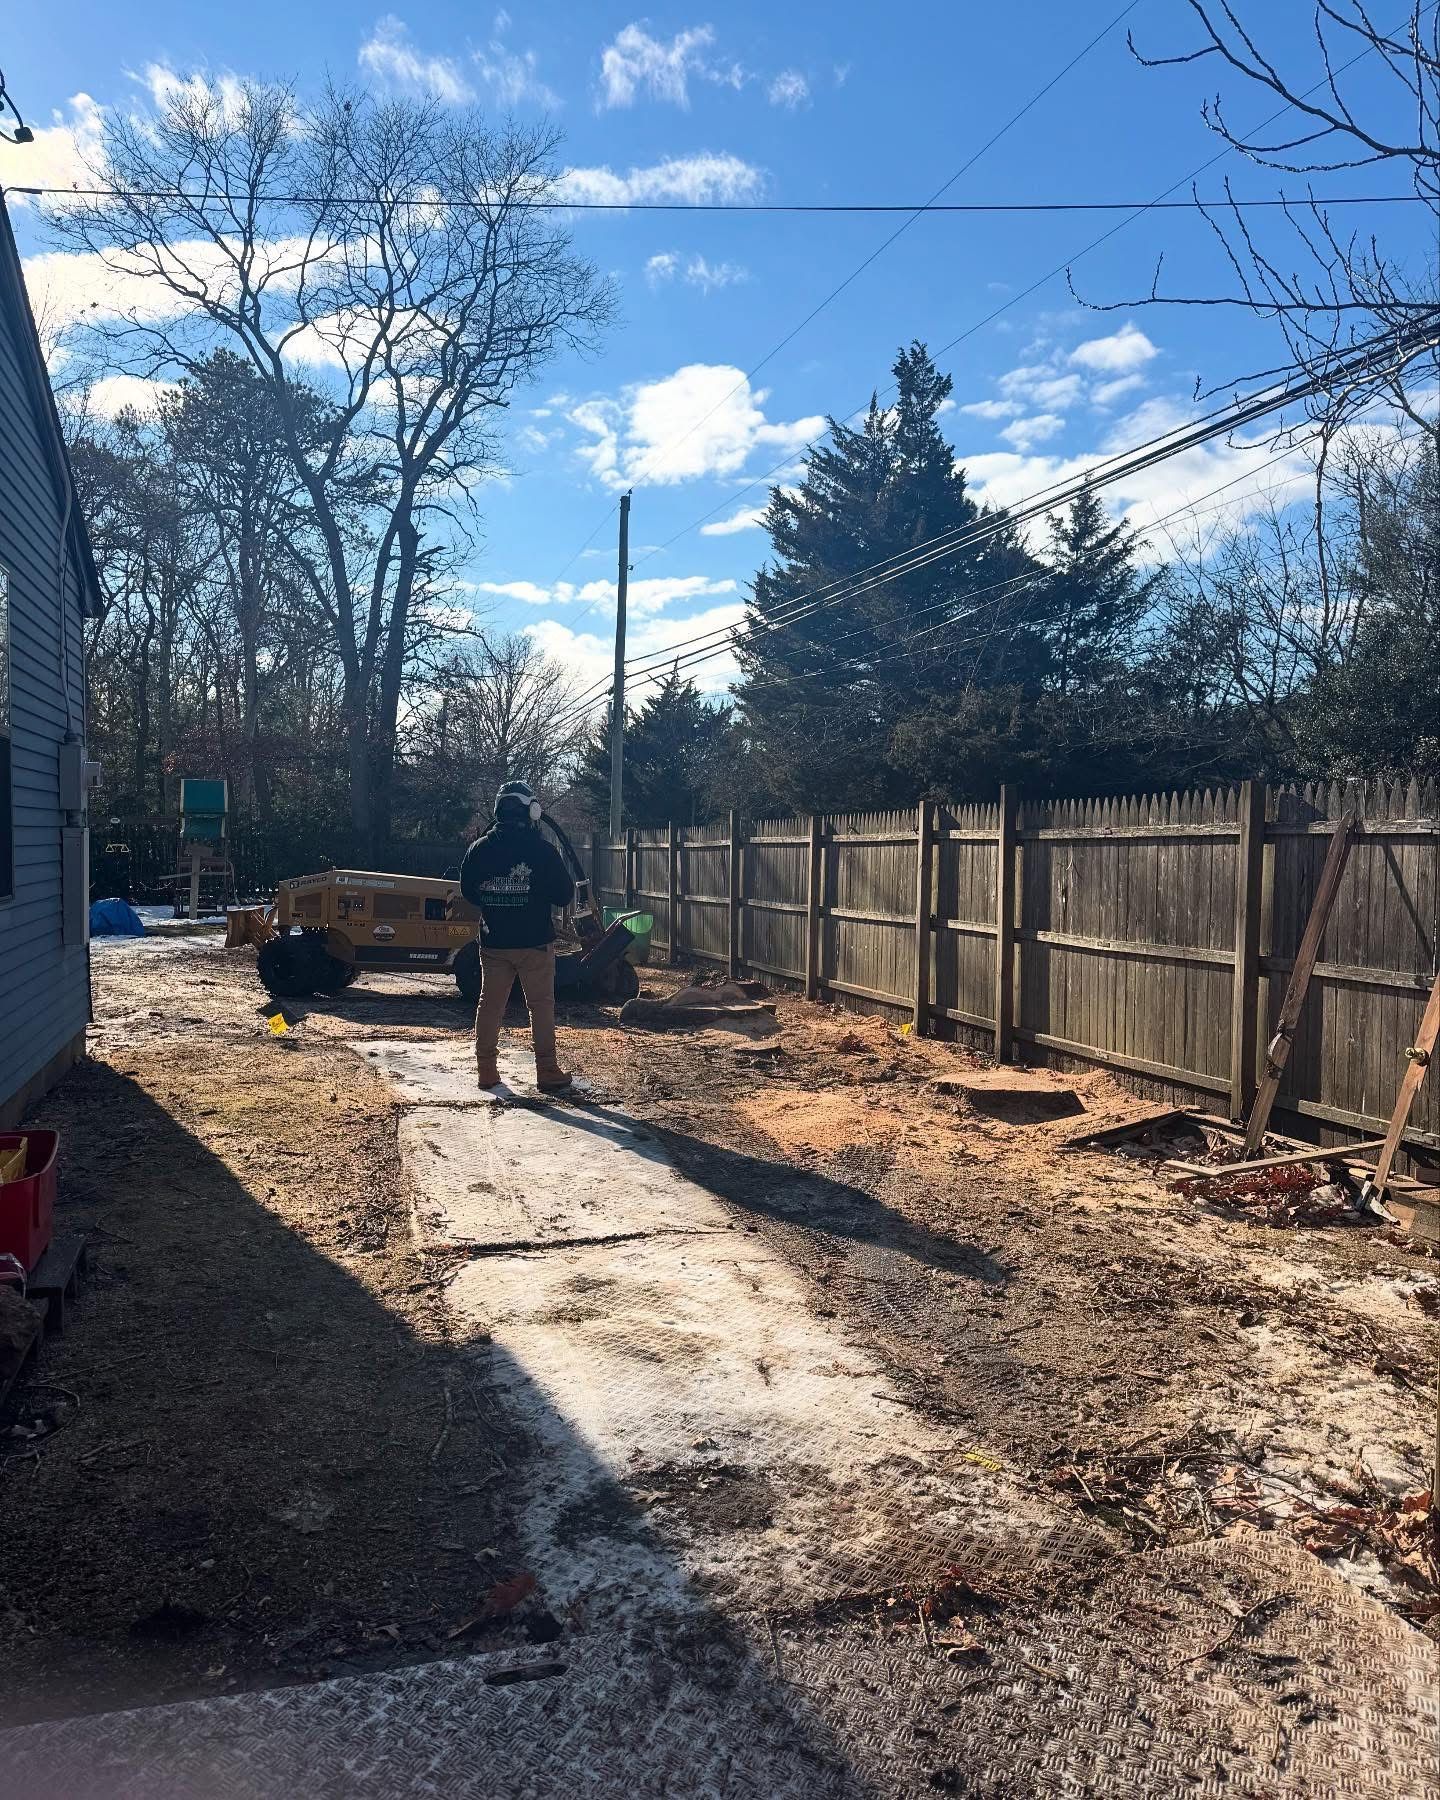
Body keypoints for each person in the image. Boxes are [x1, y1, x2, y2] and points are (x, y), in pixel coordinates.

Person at [460, 781, 576, 1091]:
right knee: (540, 1006)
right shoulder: (543, 851)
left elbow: (468, 892)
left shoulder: (478, 849)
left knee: (490, 1005)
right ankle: (547, 1071)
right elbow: (565, 895)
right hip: (535, 942)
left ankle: (486, 1071)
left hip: (494, 942)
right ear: (533, 811)